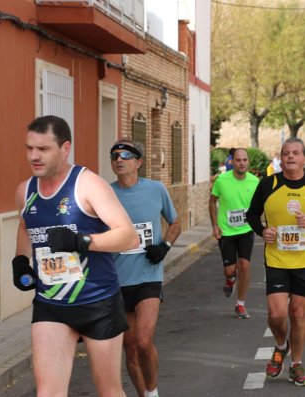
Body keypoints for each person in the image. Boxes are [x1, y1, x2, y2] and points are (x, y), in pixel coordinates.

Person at [12, 115, 138, 397]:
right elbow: (24, 226)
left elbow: (128, 236)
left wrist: (81, 241)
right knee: (48, 393)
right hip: (51, 303)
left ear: (65, 148)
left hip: (98, 302)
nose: (34, 156)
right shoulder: (25, 191)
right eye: (29, 148)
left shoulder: (88, 184)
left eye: (43, 149)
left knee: (109, 391)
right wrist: (20, 261)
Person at [246, 137, 305, 386]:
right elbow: (252, 215)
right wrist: (261, 231)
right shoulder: (268, 184)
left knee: (298, 314)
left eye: (296, 153)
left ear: (304, 159)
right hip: (277, 258)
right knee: (277, 315)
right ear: (281, 157)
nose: (290, 157)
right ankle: (280, 346)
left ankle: (296, 365)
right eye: (286, 153)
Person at [110, 139, 181, 397]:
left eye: (126, 155)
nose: (119, 159)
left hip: (148, 277)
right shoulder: (105, 194)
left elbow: (175, 223)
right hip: (117, 280)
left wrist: (164, 247)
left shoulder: (155, 189)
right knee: (129, 347)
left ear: (138, 162)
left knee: (142, 341)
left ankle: (152, 392)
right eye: (115, 155)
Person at [209, 148, 260, 318]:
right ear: (232, 161)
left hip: (246, 230)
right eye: (238, 160)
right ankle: (230, 280)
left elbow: (261, 204)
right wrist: (215, 225)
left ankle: (240, 304)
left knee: (244, 265)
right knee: (230, 270)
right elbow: (212, 201)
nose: (242, 163)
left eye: (245, 160)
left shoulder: (255, 181)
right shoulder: (222, 180)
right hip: (226, 231)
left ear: (248, 162)